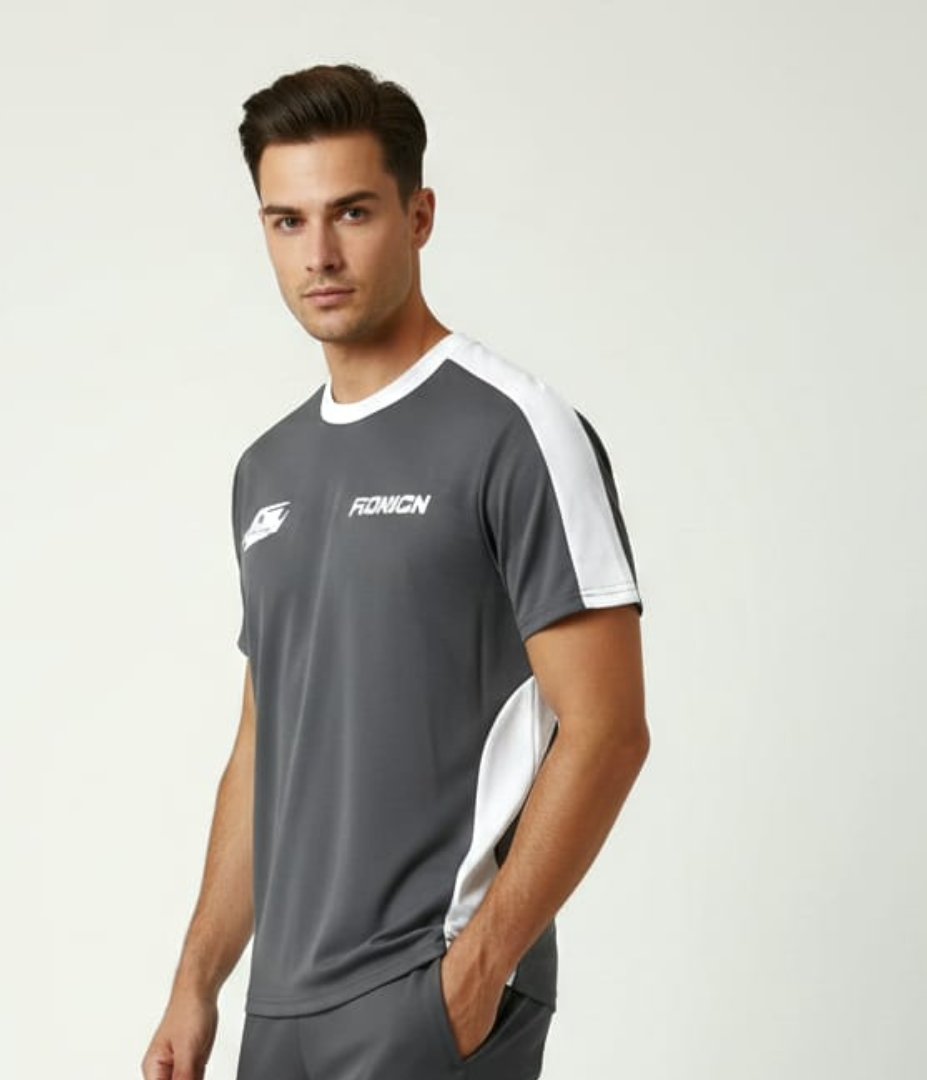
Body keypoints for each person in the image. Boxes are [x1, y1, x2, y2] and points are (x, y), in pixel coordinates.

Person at [142, 62, 649, 1080]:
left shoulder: (515, 430)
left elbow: (607, 729)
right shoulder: (266, 471)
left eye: (353, 212)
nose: (319, 255)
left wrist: (477, 973)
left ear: (418, 217)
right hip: (281, 1010)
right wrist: (197, 984)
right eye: (287, 222)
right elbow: (265, 744)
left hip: (427, 993)